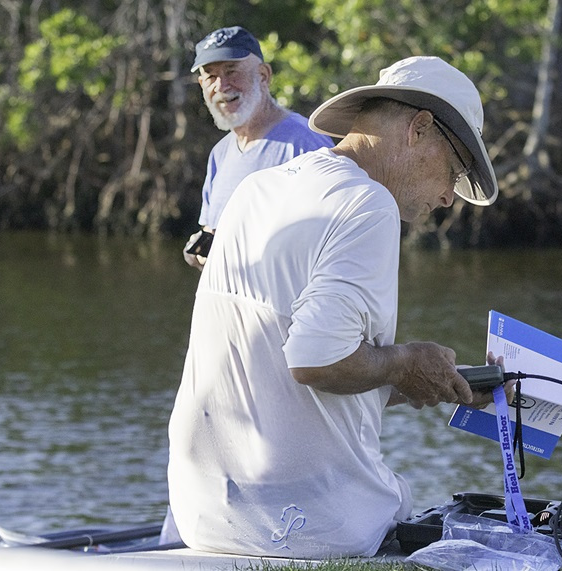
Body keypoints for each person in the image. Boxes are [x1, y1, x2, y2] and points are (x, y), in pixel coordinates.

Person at [166, 56, 503, 558]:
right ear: (419, 128)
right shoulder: (367, 203)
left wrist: (433, 381)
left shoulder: (257, 189)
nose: (448, 198)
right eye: (453, 172)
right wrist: (407, 361)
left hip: (203, 515)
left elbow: (283, 375)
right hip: (308, 525)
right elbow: (317, 361)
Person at [183, 25, 332, 270]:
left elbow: (332, 240)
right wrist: (202, 252)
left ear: (263, 75)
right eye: (210, 76)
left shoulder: (306, 144)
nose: (221, 85)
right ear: (201, 84)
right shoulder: (219, 154)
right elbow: (212, 231)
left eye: (232, 71)